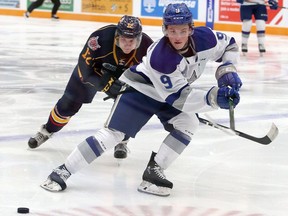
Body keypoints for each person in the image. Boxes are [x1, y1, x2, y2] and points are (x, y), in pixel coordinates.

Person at [40, 3, 242, 196]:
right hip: (140, 90)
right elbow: (180, 99)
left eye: (182, 30)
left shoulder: (207, 38)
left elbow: (230, 46)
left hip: (172, 93)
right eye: (172, 31)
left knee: (188, 123)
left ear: (191, 28)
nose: (177, 36)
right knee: (114, 134)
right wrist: (214, 98)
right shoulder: (161, 57)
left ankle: (153, 173)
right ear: (164, 30)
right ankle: (62, 171)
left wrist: (227, 71)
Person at [27, 15, 153, 159]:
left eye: (132, 41)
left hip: (125, 77)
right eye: (124, 39)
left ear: (139, 39)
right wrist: (106, 84)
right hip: (94, 72)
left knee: (128, 105)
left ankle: (122, 140)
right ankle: (46, 131)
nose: (127, 45)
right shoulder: (100, 39)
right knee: (68, 103)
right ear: (117, 36)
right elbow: (84, 67)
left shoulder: (148, 48)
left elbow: (150, 77)